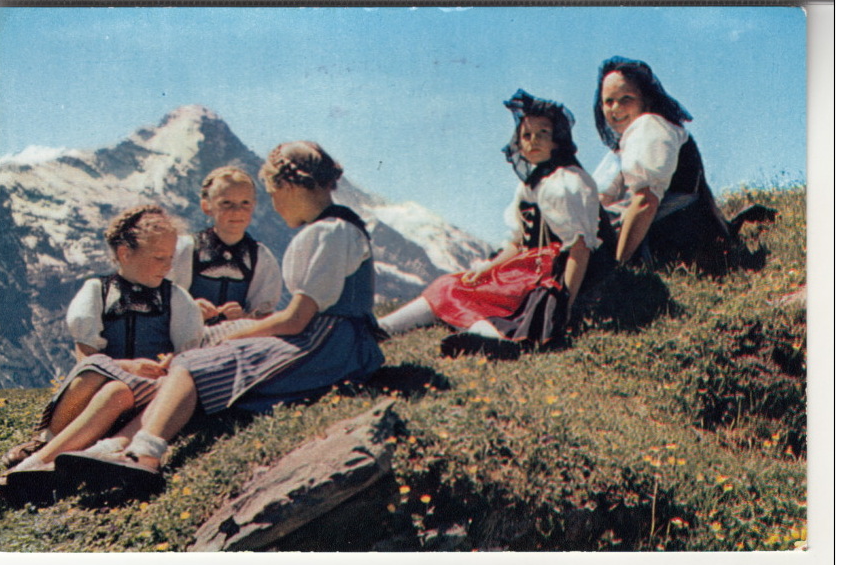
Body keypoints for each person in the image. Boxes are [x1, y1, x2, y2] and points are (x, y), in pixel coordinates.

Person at [53, 141, 385, 492]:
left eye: (271, 194)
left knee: (193, 364)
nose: (274, 205)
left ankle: (145, 456)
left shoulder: (328, 232)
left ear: (288, 187)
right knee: (197, 360)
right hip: (338, 343)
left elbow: (296, 319)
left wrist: (232, 334)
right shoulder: (339, 227)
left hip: (327, 346)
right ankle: (116, 444)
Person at [379, 90, 615, 359]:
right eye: (526, 135)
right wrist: (488, 268)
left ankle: (491, 337)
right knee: (451, 283)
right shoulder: (531, 185)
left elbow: (580, 247)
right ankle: (382, 327)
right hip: (528, 266)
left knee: (463, 292)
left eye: (543, 133)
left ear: (558, 141)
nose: (533, 140)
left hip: (553, 272)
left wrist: (565, 305)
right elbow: (517, 241)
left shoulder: (567, 183)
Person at [0, 205, 203, 492]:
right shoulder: (99, 291)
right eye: (158, 258)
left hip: (145, 392)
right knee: (97, 376)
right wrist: (127, 367)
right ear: (124, 253)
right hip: (98, 384)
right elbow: (87, 359)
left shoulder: (176, 298)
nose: (167, 266)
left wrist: (169, 362)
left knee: (118, 392)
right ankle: (48, 442)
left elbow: (188, 354)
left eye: (170, 258)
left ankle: (44, 464)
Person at [592, 56, 772, 269]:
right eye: (609, 101)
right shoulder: (627, 145)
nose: (616, 108)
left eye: (626, 98)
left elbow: (645, 202)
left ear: (646, 100)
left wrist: (617, 267)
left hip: (682, 246)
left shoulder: (650, 127)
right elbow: (600, 199)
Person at [170, 164, 282, 345]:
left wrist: (243, 317)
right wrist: (190, 310)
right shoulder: (187, 248)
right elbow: (164, 299)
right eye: (226, 203)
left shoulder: (260, 257)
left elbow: (265, 314)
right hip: (189, 340)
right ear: (207, 206)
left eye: (245, 203)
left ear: (254, 205)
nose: (237, 211)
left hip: (236, 341)